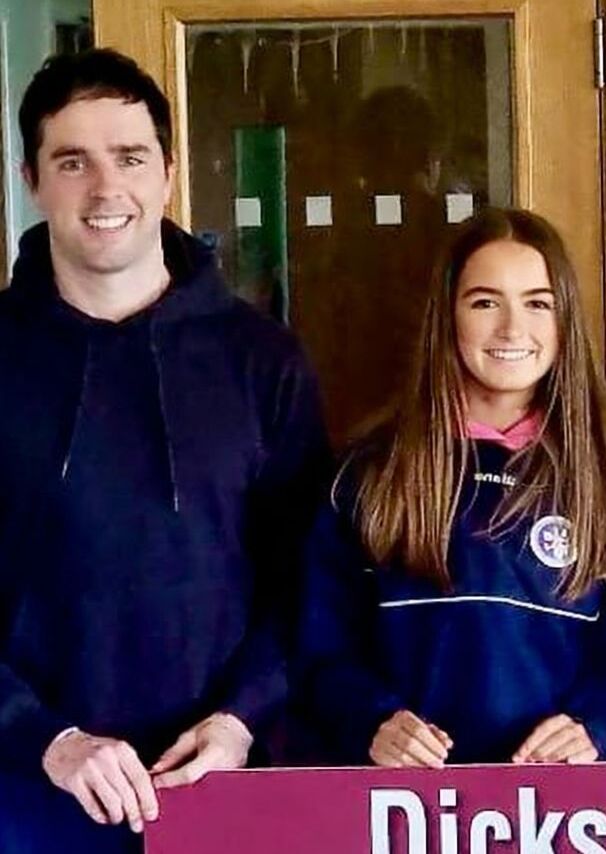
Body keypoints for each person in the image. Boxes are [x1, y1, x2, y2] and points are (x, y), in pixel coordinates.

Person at [0, 50, 328, 852]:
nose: (105, 188)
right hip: (25, 793)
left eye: (130, 157)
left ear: (170, 173)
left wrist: (241, 718)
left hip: (220, 785)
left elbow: (309, 576)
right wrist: (44, 738)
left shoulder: (263, 361)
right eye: (72, 162)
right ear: (31, 179)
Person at [298, 208, 606, 766]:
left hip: (559, 800)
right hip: (407, 800)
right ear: (447, 316)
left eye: (538, 303)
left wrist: (598, 725)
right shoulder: (370, 473)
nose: (512, 329)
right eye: (485, 303)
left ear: (565, 320)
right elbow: (320, 645)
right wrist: (370, 720)